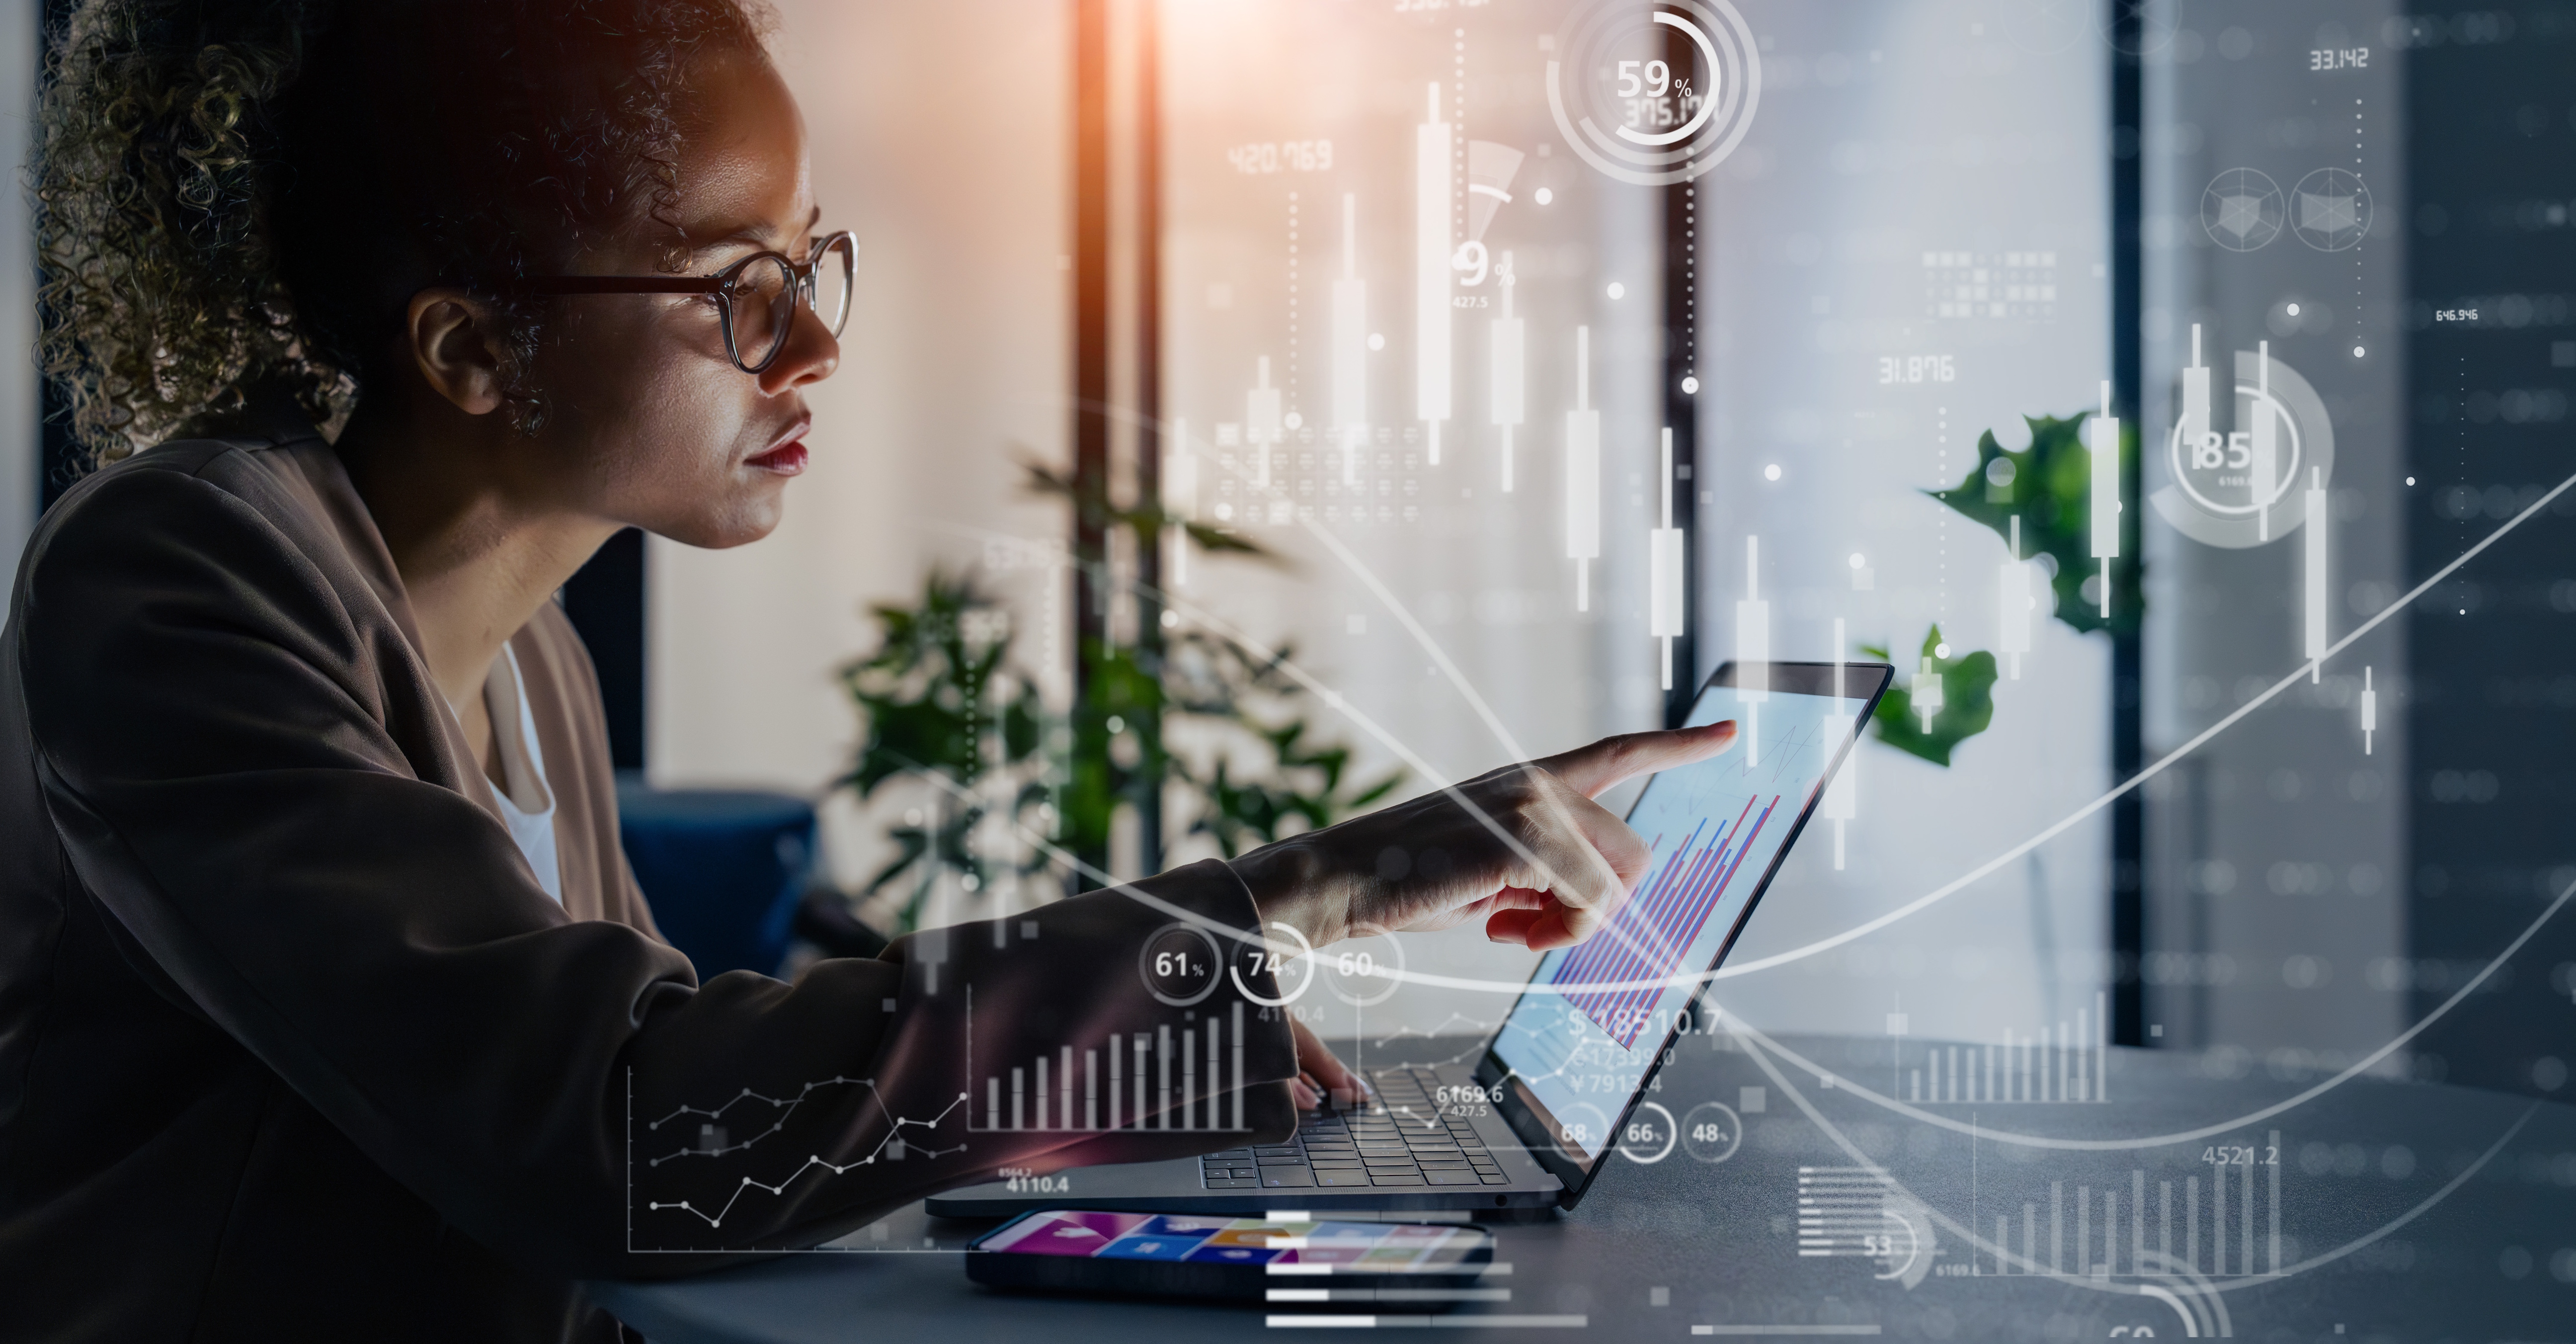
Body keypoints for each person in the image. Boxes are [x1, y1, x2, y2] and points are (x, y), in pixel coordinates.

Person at [0, 1, 1737, 1340]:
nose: (817, 344)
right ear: (472, 348)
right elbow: (623, 1138)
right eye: (739, 285)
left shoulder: (536, 664)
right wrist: (1309, 886)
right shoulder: (174, 585)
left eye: (810, 260)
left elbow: (699, 1103)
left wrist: (1141, 1066)